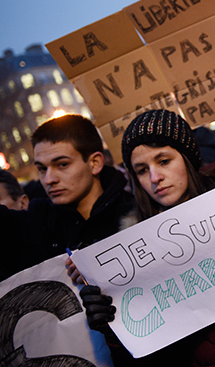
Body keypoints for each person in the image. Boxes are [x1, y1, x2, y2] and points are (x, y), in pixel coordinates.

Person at [78, 109, 215, 366]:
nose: (154, 178)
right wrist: (114, 326)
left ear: (187, 157)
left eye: (163, 161)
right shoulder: (135, 256)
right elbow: (152, 356)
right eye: (141, 170)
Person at [0, 114, 134, 280]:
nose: (49, 179)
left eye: (62, 164)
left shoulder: (137, 214)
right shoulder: (33, 223)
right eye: (42, 169)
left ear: (95, 163)